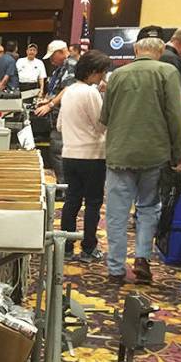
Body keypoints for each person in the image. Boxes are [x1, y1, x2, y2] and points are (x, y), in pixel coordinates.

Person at [100, 36, 181, 285]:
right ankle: (142, 259)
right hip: (154, 153)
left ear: (136, 50)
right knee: (149, 207)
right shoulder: (167, 72)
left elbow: (105, 116)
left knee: (117, 213)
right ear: (160, 52)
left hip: (119, 153)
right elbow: (176, 116)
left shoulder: (117, 74)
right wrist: (178, 151)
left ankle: (116, 269)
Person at [57, 50, 113, 262]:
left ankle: (66, 246)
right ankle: (88, 248)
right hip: (92, 155)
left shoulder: (69, 90)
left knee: (72, 200)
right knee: (92, 203)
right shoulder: (90, 93)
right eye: (101, 73)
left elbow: (60, 124)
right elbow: (101, 125)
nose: (102, 77)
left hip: (69, 154)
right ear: (92, 72)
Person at [34, 40, 78, 186]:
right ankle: (63, 183)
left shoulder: (71, 65)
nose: (52, 61)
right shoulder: (60, 68)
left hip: (65, 115)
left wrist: (50, 105)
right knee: (56, 150)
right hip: (57, 115)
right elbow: (57, 90)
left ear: (60, 52)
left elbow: (68, 89)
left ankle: (64, 186)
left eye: (53, 57)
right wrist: (47, 101)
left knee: (58, 150)